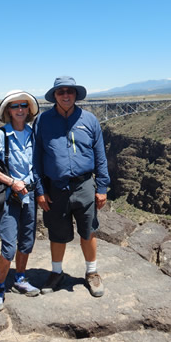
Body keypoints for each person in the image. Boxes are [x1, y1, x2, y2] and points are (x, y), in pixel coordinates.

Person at [33, 76, 110, 297]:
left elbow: (100, 156)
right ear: (54, 96)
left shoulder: (90, 120)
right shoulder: (43, 121)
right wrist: (40, 190)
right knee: (57, 234)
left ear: (76, 94)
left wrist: (102, 187)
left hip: (84, 184)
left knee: (88, 231)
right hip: (55, 187)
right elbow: (36, 159)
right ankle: (56, 273)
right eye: (61, 92)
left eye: (70, 91)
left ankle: (92, 273)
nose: (66, 95)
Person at [0, 90, 40, 311]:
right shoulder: (1, 135)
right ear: (8, 111)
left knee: (26, 242)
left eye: (24, 105)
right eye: (15, 106)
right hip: (10, 197)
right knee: (8, 247)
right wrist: (12, 181)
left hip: (30, 195)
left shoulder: (33, 134)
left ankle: (20, 278)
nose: (20, 109)